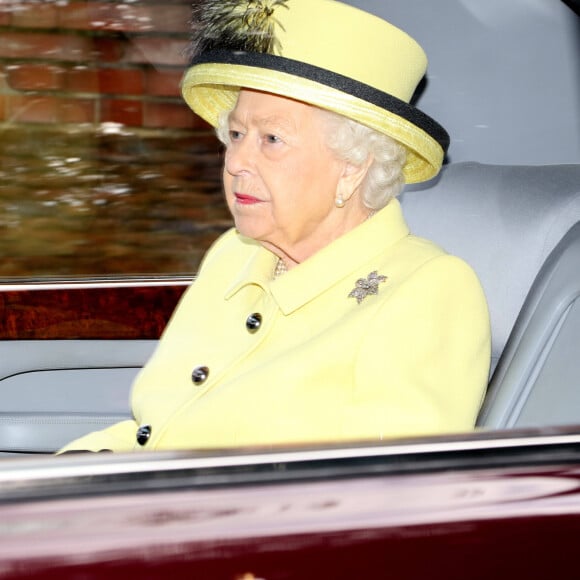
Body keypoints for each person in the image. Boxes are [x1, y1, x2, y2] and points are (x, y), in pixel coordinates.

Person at [59, 0, 490, 453]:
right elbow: (155, 430)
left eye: (272, 139)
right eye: (238, 134)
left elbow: (391, 492)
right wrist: (74, 470)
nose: (236, 161)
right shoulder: (235, 253)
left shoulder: (428, 290)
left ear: (353, 167)